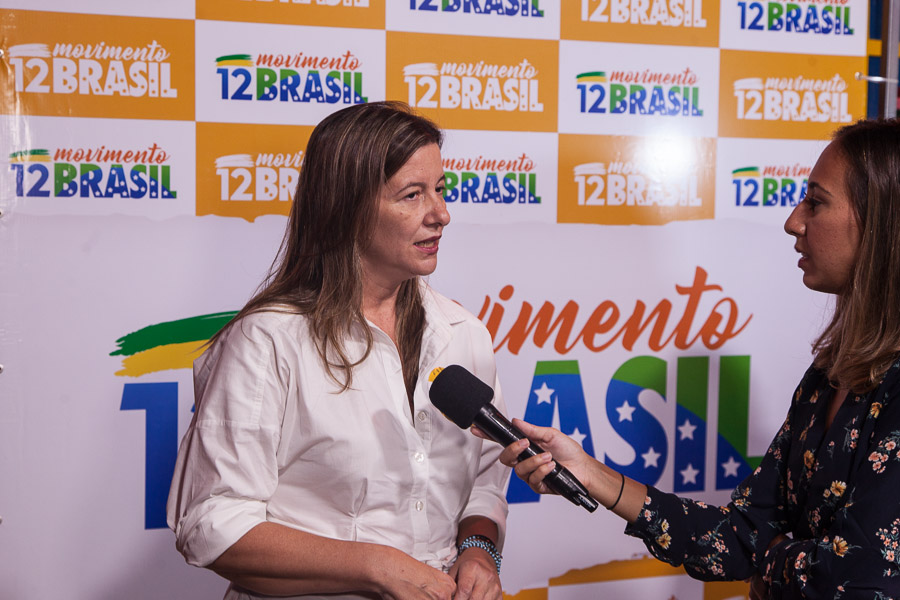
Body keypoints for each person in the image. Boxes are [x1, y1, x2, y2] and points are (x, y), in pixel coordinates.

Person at [482, 118, 900, 599]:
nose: (793, 221)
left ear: (881, 221)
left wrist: (770, 557)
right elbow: (739, 537)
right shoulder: (827, 375)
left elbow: (854, 580)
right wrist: (591, 474)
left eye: (816, 202)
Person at [167, 101, 509, 600]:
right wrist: (375, 565)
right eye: (412, 195)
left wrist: (478, 550)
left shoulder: (464, 333)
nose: (441, 214)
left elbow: (484, 481)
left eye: (440, 189)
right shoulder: (267, 340)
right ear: (346, 207)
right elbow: (210, 523)